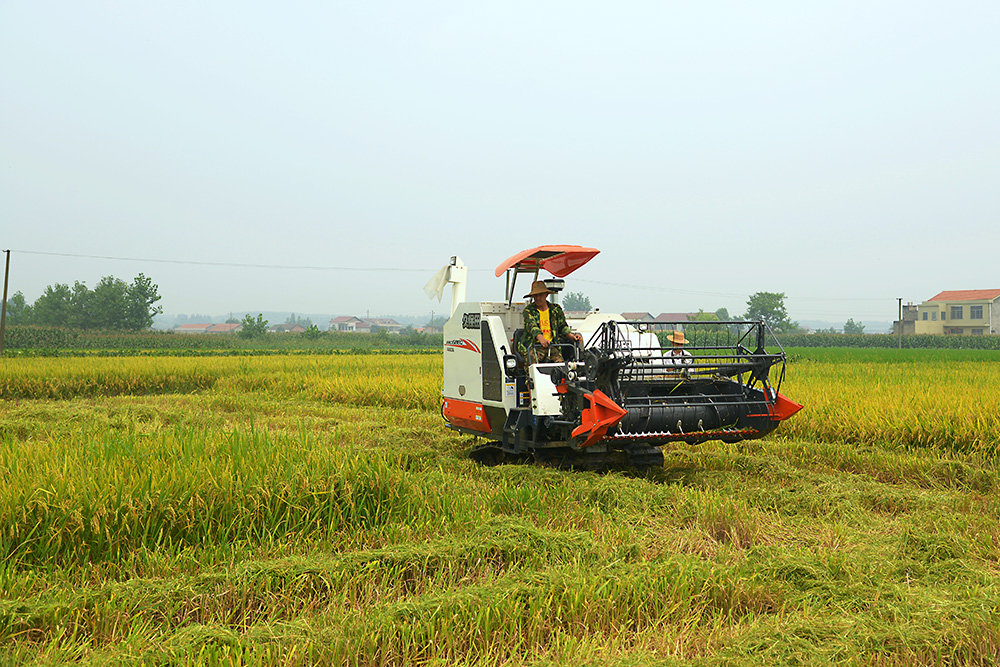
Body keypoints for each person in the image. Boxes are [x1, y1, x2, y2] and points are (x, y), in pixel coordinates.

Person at [520, 280, 583, 364]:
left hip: (552, 346)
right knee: (533, 365)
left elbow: (563, 327)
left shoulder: (555, 310)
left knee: (561, 366)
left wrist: (572, 337)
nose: (538, 298)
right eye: (535, 295)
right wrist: (541, 338)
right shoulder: (528, 311)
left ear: (546, 295)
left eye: (540, 295)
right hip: (534, 346)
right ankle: (530, 377)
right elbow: (532, 326)